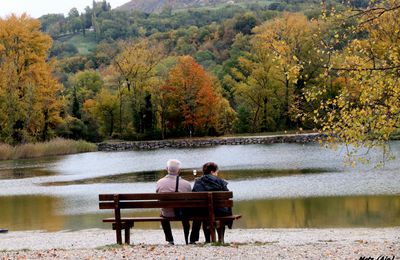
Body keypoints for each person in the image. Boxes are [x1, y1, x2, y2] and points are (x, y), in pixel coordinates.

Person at [189, 162, 232, 244]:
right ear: (212, 172)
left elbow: (194, 195)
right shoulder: (220, 181)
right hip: (220, 212)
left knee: (205, 213)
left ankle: (208, 240)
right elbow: (227, 196)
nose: (217, 174)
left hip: (203, 212)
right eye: (216, 172)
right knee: (219, 214)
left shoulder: (198, 182)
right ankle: (221, 239)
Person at [156, 159, 191, 245]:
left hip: (167, 214)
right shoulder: (186, 184)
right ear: (179, 170)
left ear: (166, 169)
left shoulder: (160, 182)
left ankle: (170, 240)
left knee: (162, 215)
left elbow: (158, 198)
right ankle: (187, 239)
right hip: (182, 214)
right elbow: (189, 200)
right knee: (185, 213)